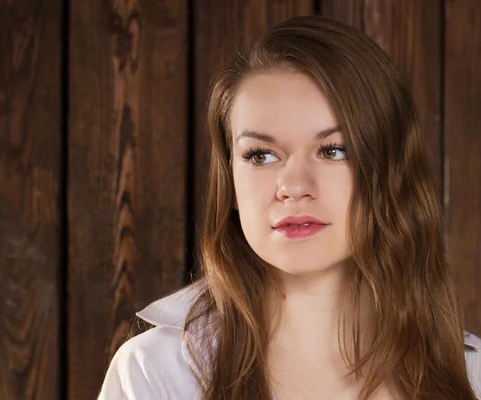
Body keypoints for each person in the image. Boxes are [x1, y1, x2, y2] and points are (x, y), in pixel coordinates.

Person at [97, 16, 481, 400]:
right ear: (230, 181)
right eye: (261, 155)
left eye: (334, 151)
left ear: (392, 172)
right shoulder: (154, 375)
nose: (293, 187)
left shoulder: (472, 378)